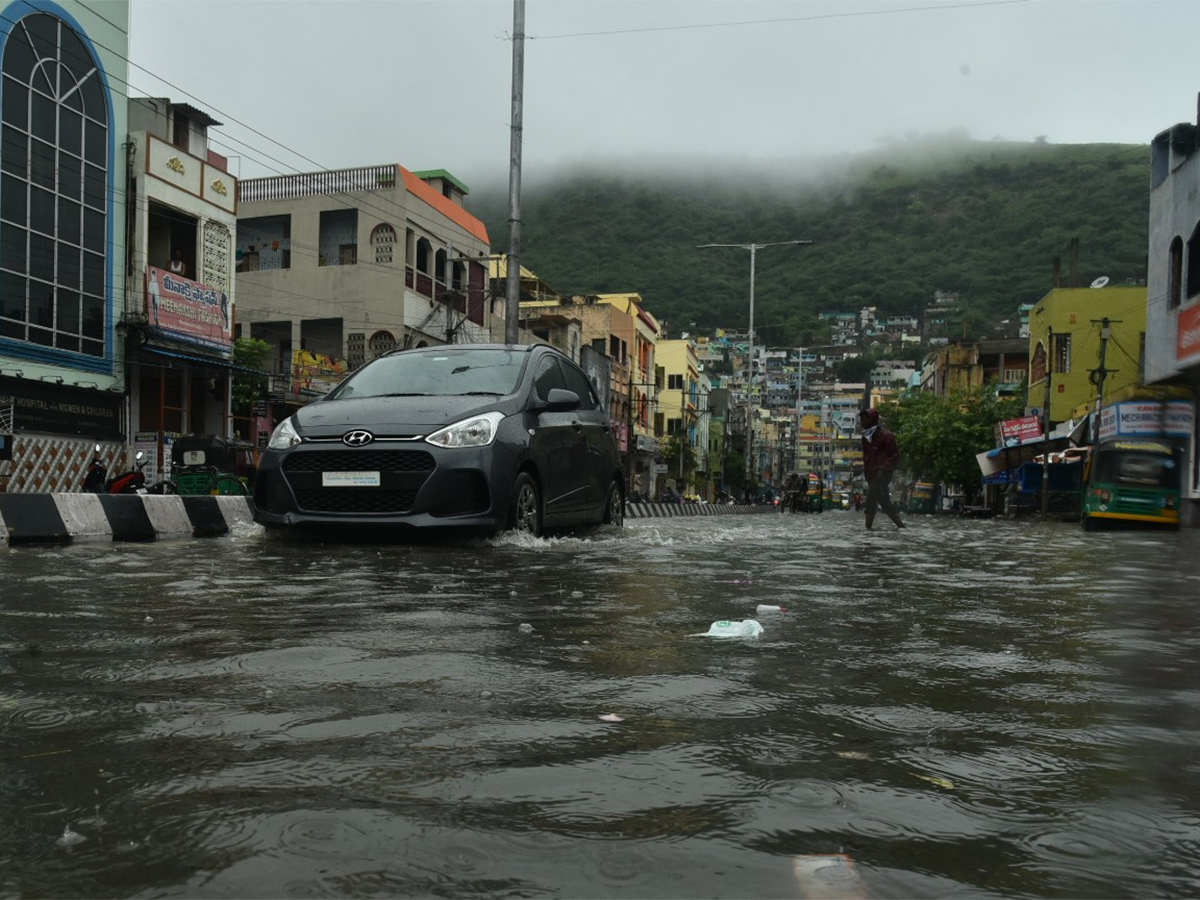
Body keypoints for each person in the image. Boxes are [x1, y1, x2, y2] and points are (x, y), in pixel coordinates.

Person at [859, 407, 905, 530]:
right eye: (861, 420)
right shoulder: (865, 437)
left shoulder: (886, 436)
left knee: (870, 500)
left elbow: (895, 455)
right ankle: (901, 526)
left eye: (865, 420)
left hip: (881, 474)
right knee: (884, 501)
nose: (863, 423)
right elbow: (866, 457)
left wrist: (883, 469)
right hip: (871, 474)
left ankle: (867, 529)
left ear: (872, 420)